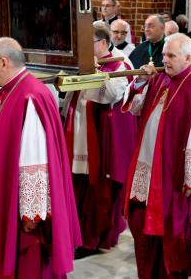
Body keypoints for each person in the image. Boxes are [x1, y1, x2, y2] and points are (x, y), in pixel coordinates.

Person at [0, 37, 81, 277]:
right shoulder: (7, 91)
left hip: (15, 205)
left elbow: (34, 155)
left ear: (3, 62)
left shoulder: (29, 95)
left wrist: (32, 212)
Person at [122, 33, 191, 278]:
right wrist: (140, 81)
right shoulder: (159, 80)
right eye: (164, 55)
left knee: (170, 229)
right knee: (141, 224)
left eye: (171, 56)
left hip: (173, 174)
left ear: (189, 58)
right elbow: (135, 108)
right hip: (147, 165)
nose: (165, 60)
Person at [62, 25, 136, 258]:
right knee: (77, 183)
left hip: (101, 136)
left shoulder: (121, 64)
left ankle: (92, 239)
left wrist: (95, 73)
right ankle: (75, 234)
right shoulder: (84, 61)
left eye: (88, 42)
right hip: (79, 130)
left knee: (97, 188)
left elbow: (111, 96)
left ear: (103, 42)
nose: (83, 47)